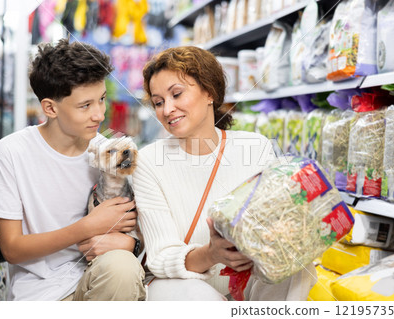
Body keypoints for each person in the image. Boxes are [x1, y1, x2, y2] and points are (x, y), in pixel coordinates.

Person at [132, 46, 317, 301]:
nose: (167, 109)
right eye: (158, 102)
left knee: (296, 268)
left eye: (177, 94)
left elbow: (276, 221)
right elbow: (161, 257)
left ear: (209, 92)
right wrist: (212, 254)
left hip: (248, 282)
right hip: (183, 289)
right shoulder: (149, 162)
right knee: (199, 296)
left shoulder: (255, 147)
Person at [0, 39, 145, 301]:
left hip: (101, 278)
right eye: (85, 105)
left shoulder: (110, 154)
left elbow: (137, 229)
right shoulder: (10, 153)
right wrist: (87, 226)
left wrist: (132, 245)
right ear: (50, 108)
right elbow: (12, 249)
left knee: (122, 268)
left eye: (102, 100)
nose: (99, 115)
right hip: (40, 292)